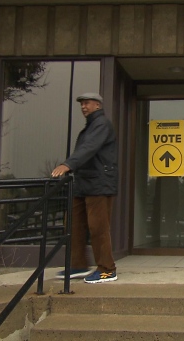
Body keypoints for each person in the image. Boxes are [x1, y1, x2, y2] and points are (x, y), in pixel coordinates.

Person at [51, 92, 118, 284]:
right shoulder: (90, 125)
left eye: (87, 103)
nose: (83, 107)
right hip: (83, 183)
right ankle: (78, 265)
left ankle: (107, 269)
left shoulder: (101, 124)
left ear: (98, 105)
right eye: (81, 104)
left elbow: (89, 147)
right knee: (74, 225)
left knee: (98, 228)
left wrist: (68, 165)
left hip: (99, 183)